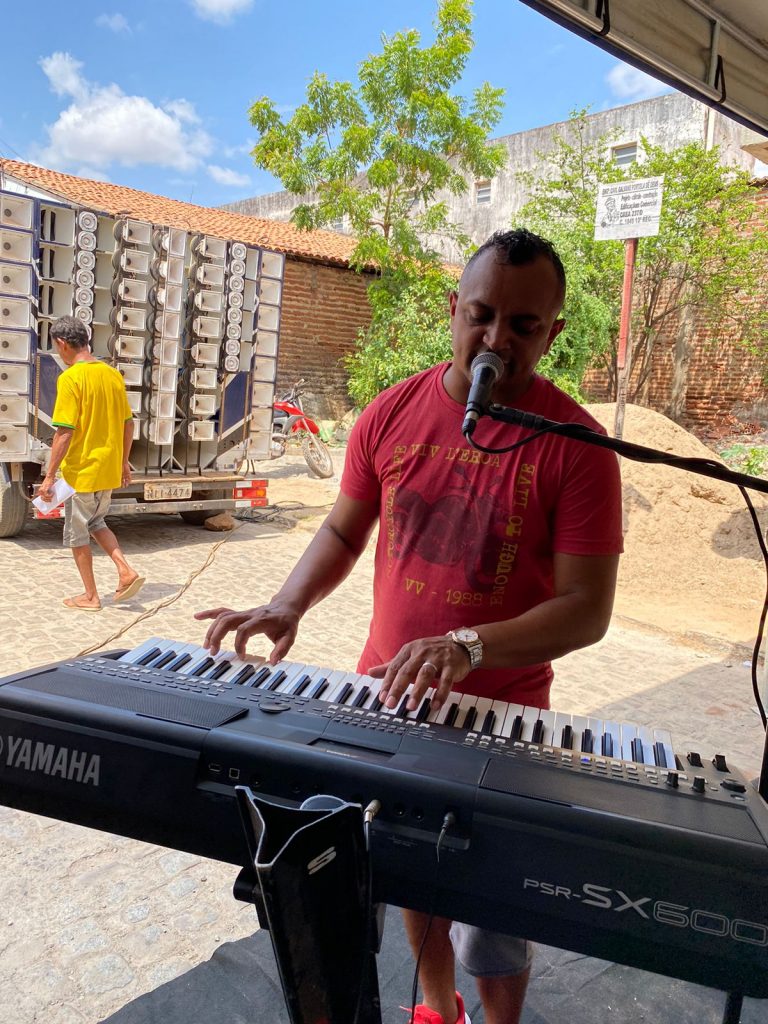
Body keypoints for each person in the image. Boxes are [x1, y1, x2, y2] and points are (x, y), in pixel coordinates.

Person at [196, 229, 623, 1024]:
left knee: (493, 908)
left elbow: (586, 608)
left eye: (523, 326)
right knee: (407, 871)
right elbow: (342, 529)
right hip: (389, 697)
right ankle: (437, 1010)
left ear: (553, 334)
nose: (496, 339)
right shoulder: (390, 412)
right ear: (453, 309)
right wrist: (289, 602)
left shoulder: (578, 446)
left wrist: (469, 646)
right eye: (481, 315)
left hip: (503, 717)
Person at [39, 315, 145, 611]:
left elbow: (64, 432)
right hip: (107, 469)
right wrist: (123, 462)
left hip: (82, 473)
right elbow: (128, 424)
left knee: (77, 535)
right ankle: (125, 570)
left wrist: (49, 477)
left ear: (62, 343)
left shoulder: (71, 378)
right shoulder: (112, 375)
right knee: (97, 522)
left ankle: (90, 596)